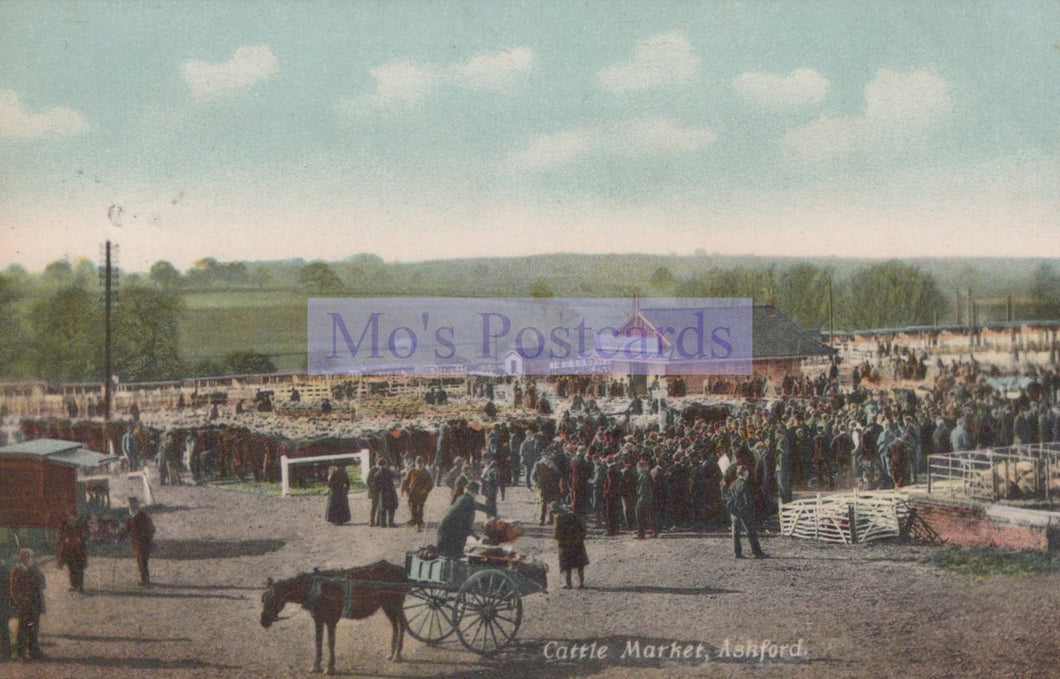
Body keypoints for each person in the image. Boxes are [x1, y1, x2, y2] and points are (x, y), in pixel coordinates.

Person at [436, 481, 491, 559]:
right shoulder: (467, 500)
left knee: (452, 554)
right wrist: (492, 512)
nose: (475, 495)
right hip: (449, 533)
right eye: (475, 493)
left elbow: (465, 523)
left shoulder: (463, 498)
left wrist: (474, 535)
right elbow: (466, 523)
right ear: (472, 492)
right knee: (452, 555)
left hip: (446, 531)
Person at [9, 548, 45, 661]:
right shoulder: (17, 569)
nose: (31, 559)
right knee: (22, 629)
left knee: (34, 628)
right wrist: (18, 601)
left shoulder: (34, 569)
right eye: (28, 557)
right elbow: (13, 588)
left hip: (34, 602)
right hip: (23, 603)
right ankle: (21, 653)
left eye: (31, 557)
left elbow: (43, 584)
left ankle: (34, 651)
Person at [727, 465, 767, 559]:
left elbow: (728, 497)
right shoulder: (745, 484)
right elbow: (748, 500)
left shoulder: (733, 483)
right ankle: (757, 552)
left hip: (734, 511)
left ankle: (737, 553)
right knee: (751, 532)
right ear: (744, 473)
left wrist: (732, 509)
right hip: (744, 511)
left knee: (736, 533)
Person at [551, 502, 588, 589]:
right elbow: (582, 529)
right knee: (580, 564)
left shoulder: (559, 518)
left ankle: (569, 584)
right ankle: (581, 583)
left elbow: (557, 534)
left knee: (567, 565)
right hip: (577, 544)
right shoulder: (573, 516)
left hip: (565, 545)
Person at [56, 514, 89, 592]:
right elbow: (59, 533)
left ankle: (80, 586)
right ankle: (74, 585)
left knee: (79, 566)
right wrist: (65, 538)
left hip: (79, 548)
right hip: (68, 548)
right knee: (71, 567)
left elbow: (86, 533)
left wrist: (80, 538)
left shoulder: (82, 521)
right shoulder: (64, 522)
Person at [126, 498, 155, 585]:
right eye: (130, 505)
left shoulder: (142, 517)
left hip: (143, 542)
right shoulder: (131, 517)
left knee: (142, 561)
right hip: (136, 543)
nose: (130, 507)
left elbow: (149, 529)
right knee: (141, 561)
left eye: (132, 505)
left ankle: (144, 580)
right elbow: (127, 529)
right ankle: (145, 579)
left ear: (136, 506)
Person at [401, 456, 434, 531]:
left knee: (420, 507)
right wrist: (404, 489)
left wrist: (425, 490)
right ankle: (414, 519)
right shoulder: (412, 471)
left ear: (423, 463)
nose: (419, 465)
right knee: (412, 507)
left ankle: (418, 522)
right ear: (415, 463)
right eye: (418, 463)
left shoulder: (426, 473)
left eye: (421, 463)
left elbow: (430, 483)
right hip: (412, 493)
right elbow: (406, 480)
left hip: (422, 494)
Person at [372, 458, 399, 527]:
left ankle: (382, 523)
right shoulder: (389, 471)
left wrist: (378, 489)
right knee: (391, 508)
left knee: (382, 508)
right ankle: (391, 522)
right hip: (390, 491)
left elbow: (375, 483)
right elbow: (397, 475)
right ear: (385, 464)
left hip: (382, 492)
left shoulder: (377, 473)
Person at [0, 554, 12, 660]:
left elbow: (8, 585)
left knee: (3, 627)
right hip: (3, 601)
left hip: (2, 601)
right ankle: (6, 652)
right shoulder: (3, 567)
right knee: (3, 627)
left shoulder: (2, 567)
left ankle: (6, 652)